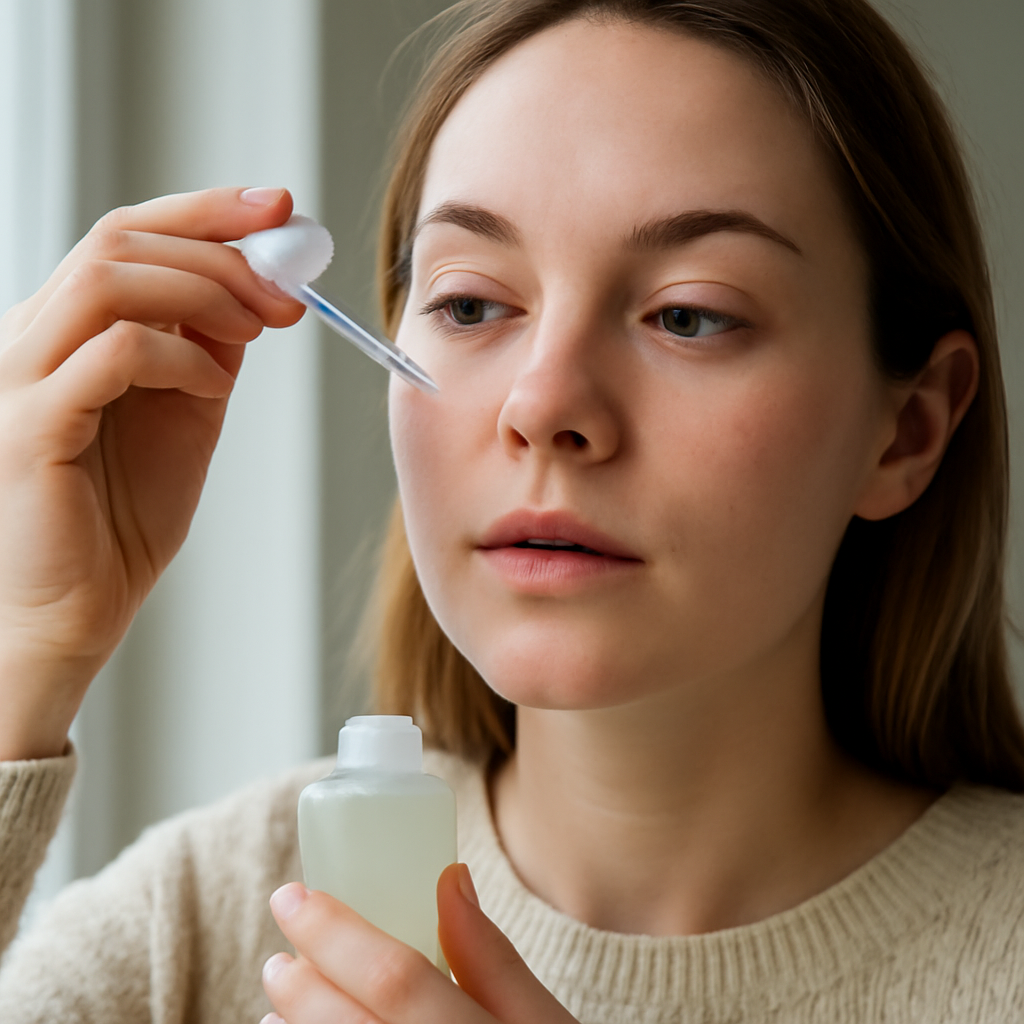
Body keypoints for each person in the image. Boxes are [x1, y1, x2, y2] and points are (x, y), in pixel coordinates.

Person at [2, 0, 1023, 1020]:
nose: (542, 406)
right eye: (472, 304)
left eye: (689, 313)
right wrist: (20, 650)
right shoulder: (202, 925)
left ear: (909, 431)